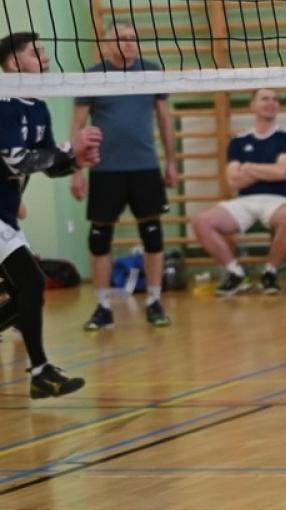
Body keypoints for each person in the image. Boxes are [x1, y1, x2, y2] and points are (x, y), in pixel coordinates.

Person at [0, 32, 101, 397]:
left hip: (5, 215)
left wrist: (76, 161)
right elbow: (16, 161)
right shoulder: (3, 104)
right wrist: (69, 147)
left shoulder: (38, 107)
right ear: (13, 63)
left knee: (24, 293)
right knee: (31, 282)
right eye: (35, 52)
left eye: (43, 49)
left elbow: (49, 165)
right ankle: (41, 372)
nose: (44, 56)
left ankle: (41, 373)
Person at [73, 22, 177, 331]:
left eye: (133, 38)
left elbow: (164, 119)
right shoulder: (93, 76)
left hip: (145, 166)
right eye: (121, 38)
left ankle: (154, 301)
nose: (129, 43)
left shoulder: (151, 72)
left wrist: (171, 162)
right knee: (99, 238)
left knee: (153, 235)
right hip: (105, 170)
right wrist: (76, 170)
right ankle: (103, 306)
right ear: (107, 44)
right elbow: (78, 126)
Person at [188, 88, 286, 296]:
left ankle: (270, 272)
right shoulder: (239, 141)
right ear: (252, 106)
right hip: (245, 201)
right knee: (201, 221)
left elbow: (281, 172)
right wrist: (265, 171)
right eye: (265, 99)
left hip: (278, 200)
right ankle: (236, 274)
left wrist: (248, 168)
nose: (271, 103)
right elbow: (233, 180)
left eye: (275, 99)